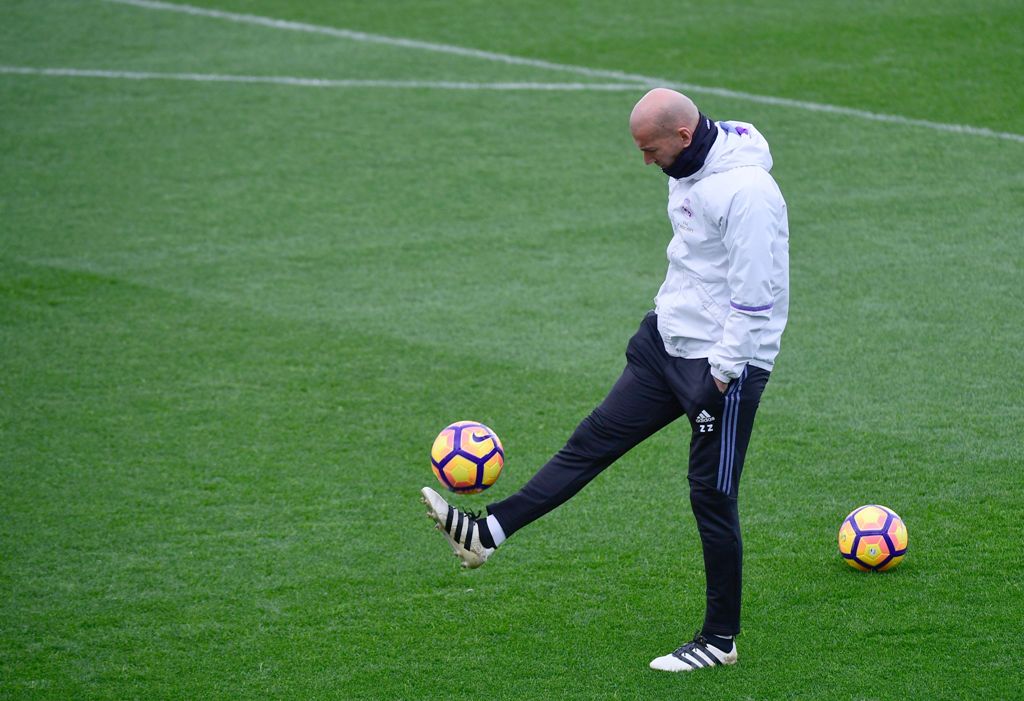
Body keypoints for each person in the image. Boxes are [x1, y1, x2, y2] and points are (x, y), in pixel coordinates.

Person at [421, 88, 790, 673]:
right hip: (666, 343)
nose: (646, 162)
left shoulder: (748, 195)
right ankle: (487, 532)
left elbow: (754, 301)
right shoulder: (693, 162)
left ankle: (719, 640)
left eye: (650, 150)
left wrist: (718, 380)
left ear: (683, 136)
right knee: (592, 439)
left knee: (711, 496)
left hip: (722, 368)